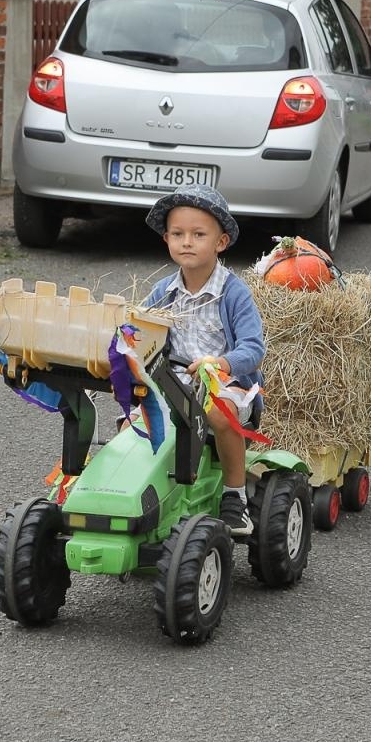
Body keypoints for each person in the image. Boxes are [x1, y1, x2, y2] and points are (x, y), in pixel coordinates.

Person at [143, 184, 265, 536]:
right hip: (173, 385)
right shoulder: (163, 292)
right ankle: (146, 494)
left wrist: (222, 363)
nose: (186, 242)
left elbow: (254, 347)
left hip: (224, 386)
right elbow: (144, 333)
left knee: (217, 413)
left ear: (220, 242)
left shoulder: (234, 293)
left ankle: (234, 496)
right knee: (135, 420)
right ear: (166, 239)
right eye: (178, 234)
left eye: (198, 234)